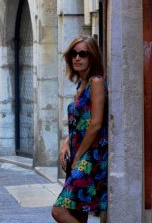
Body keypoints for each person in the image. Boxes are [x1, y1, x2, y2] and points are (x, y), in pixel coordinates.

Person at [51, 36, 108, 223]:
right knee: (78, 213)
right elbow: (79, 122)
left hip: (91, 156)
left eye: (83, 53)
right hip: (79, 152)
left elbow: (96, 123)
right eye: (73, 54)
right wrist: (66, 142)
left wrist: (78, 157)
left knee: (59, 211)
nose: (77, 58)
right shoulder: (81, 85)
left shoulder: (96, 82)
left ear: (92, 57)